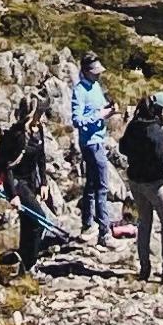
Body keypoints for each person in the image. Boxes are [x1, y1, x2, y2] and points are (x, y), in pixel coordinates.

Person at [120, 91, 163, 282]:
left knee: (144, 222)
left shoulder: (134, 126)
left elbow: (123, 148)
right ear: (160, 112)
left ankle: (144, 267)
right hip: (156, 184)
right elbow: (161, 164)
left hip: (135, 182)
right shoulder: (158, 134)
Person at [0, 94, 53, 273]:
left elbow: (41, 157)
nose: (44, 115)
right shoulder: (16, 135)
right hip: (16, 182)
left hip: (30, 180)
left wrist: (43, 183)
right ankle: (30, 265)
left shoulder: (38, 130)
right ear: (33, 113)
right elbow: (7, 167)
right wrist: (13, 195)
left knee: (29, 223)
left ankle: (22, 263)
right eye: (41, 111)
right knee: (39, 220)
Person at [68, 56, 116, 242]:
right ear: (86, 72)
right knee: (102, 186)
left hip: (98, 140)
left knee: (91, 184)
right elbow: (77, 120)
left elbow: (99, 109)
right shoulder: (80, 91)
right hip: (91, 143)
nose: (98, 75)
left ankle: (88, 224)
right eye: (95, 72)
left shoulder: (95, 86)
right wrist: (99, 115)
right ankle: (105, 233)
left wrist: (109, 110)